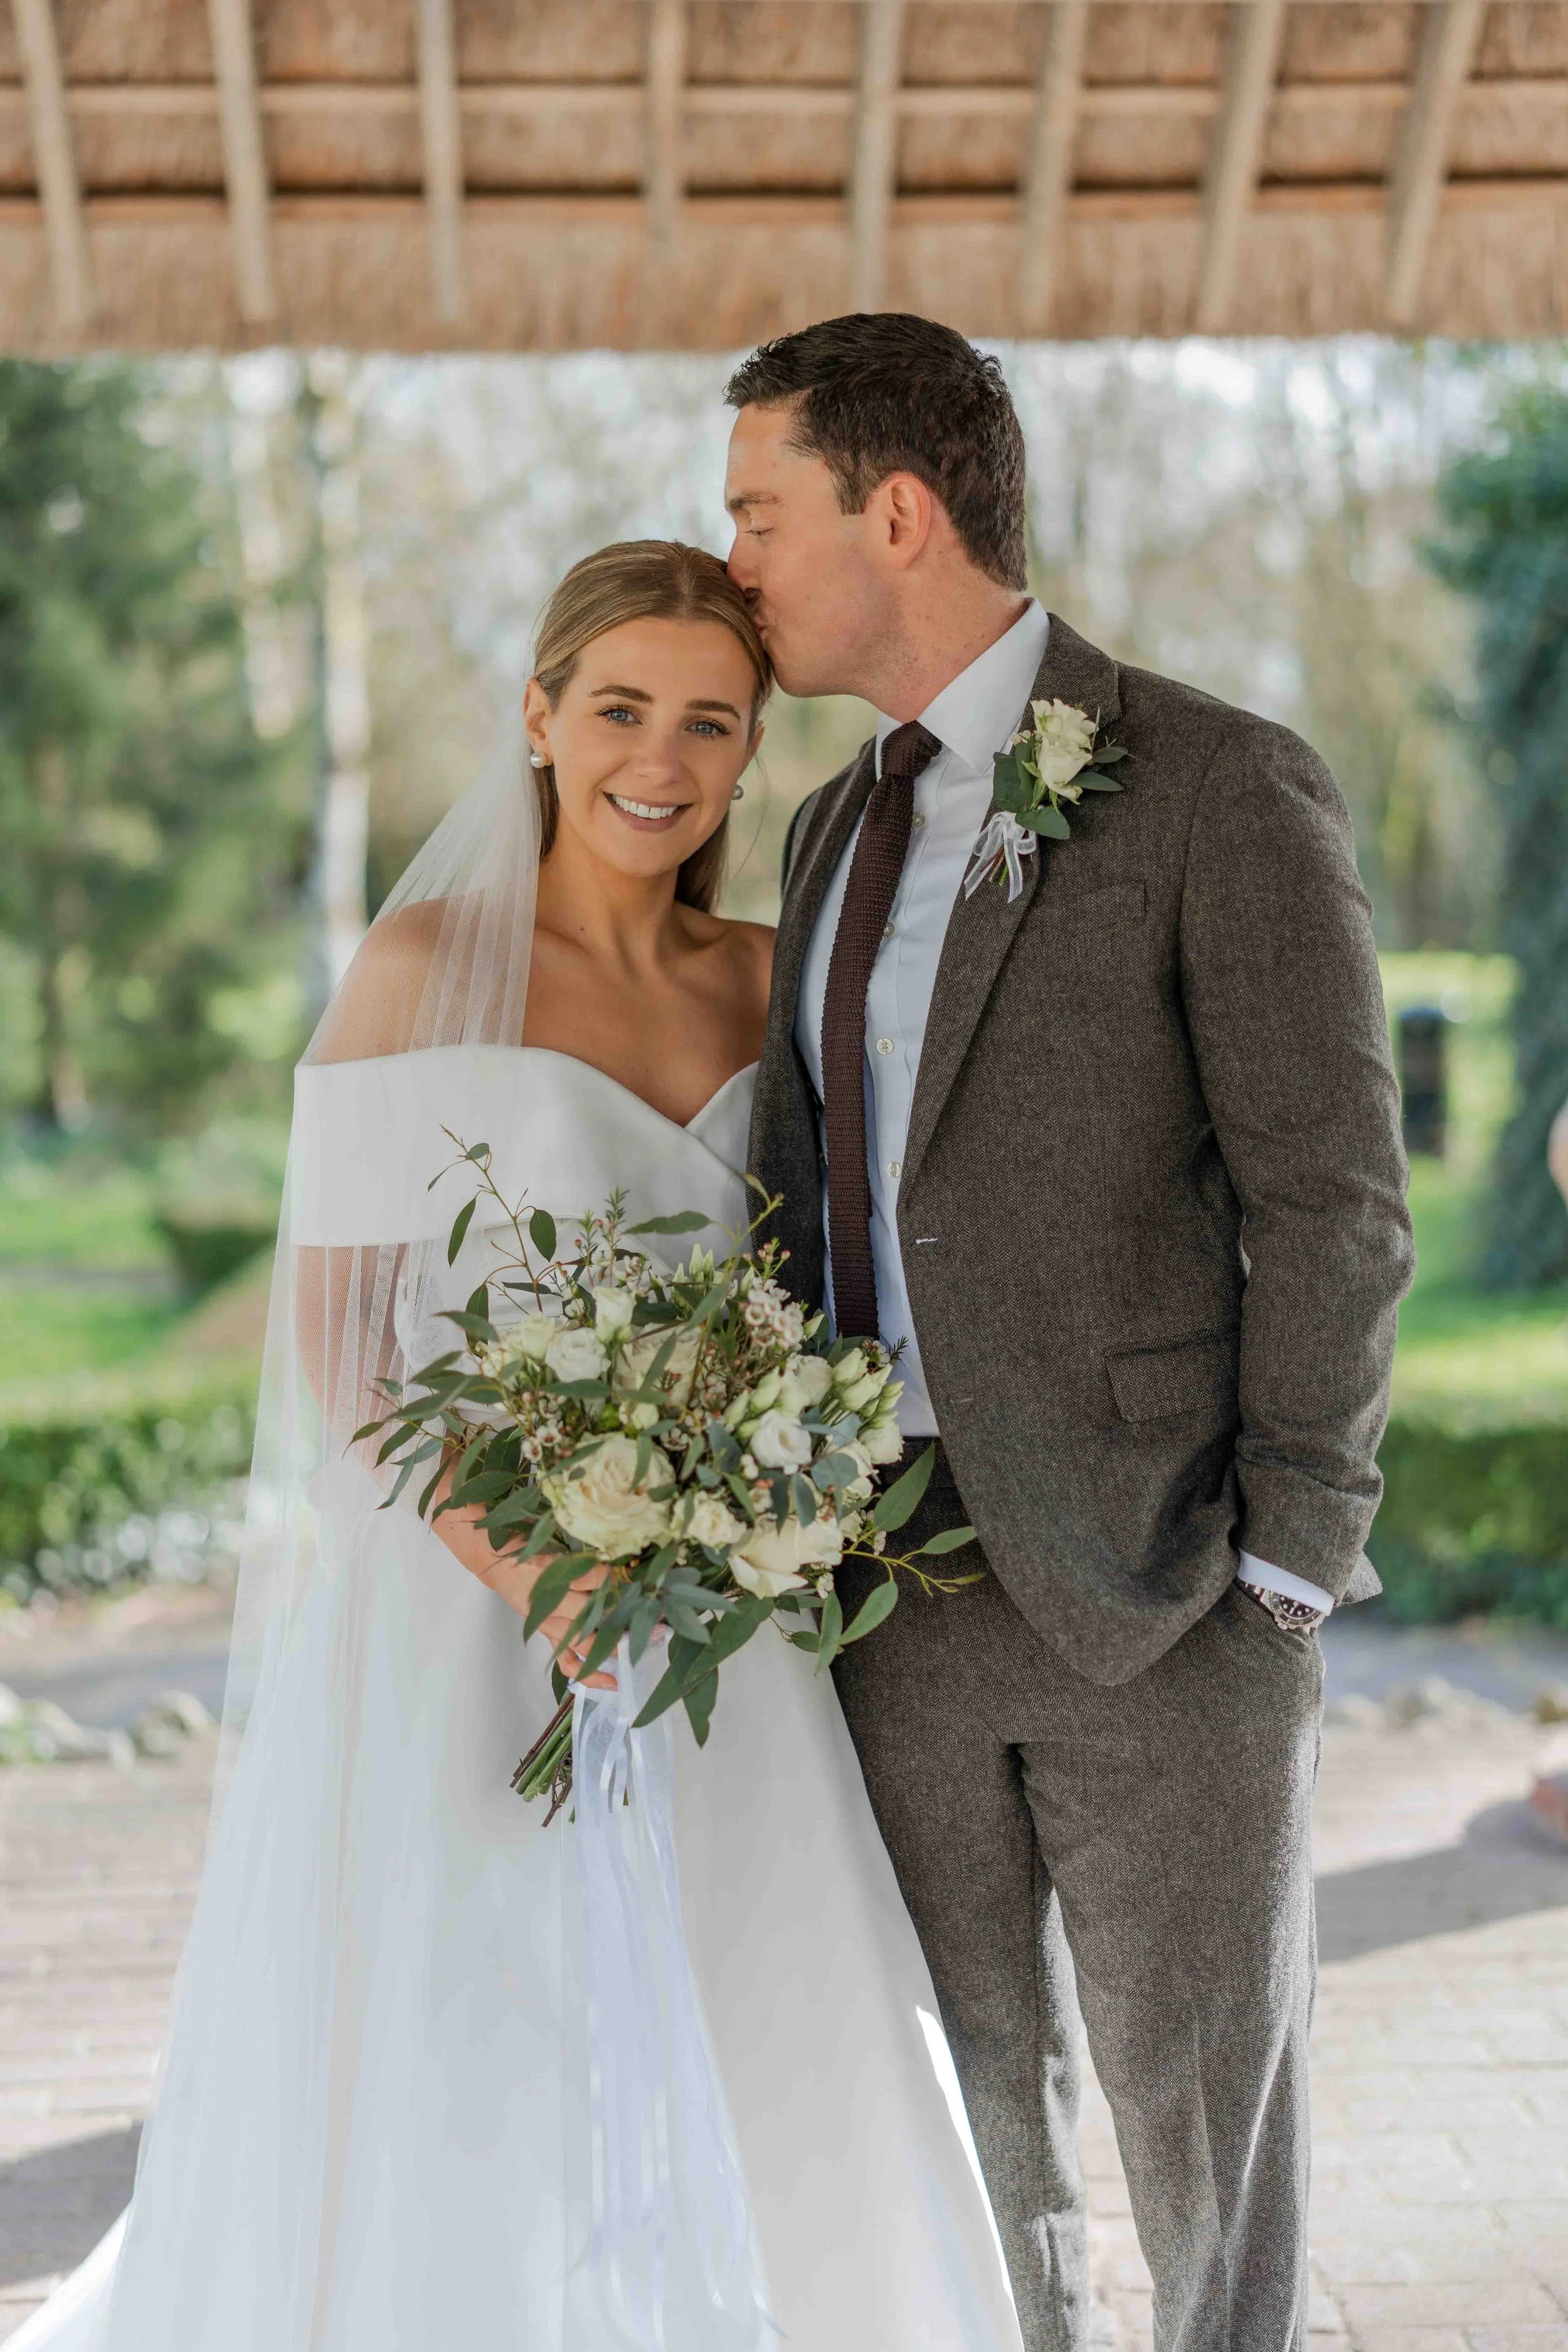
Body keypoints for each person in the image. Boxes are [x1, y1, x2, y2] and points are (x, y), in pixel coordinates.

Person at [13, 541, 1022, 2352]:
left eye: (709, 720)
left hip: (726, 1613)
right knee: (483, 2030)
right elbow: (343, 1334)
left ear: (750, 750)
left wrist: (765, 1486)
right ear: (542, 718)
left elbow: (846, 1275)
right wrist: (544, 1568)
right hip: (470, 1602)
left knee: (777, 1998)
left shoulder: (773, 978)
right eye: (621, 707)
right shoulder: (428, 969)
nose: (661, 756)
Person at [729, 314, 1416, 2352]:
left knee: (1207, 2145)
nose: (737, 561)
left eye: (760, 513)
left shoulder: (1218, 784)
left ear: (897, 512)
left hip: (1164, 1584)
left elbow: (1332, 1196)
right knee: (966, 2141)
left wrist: (1287, 1556)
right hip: (883, 1587)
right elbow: (805, 1192)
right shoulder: (826, 828)